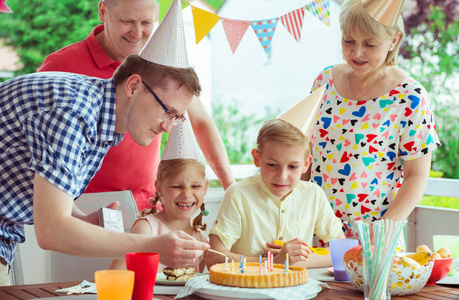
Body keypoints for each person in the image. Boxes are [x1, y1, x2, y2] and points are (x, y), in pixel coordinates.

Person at [0, 0, 210, 285]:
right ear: (134, 86)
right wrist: (151, 245)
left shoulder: (104, 120)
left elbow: (45, 183)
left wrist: (81, 220)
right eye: (166, 109)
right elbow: (51, 231)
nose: (167, 126)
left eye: (177, 117)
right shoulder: (73, 112)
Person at [38, 0, 234, 211]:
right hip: (83, 206)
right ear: (103, 12)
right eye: (128, 21)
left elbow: (202, 123)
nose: (137, 32)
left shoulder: (162, 63)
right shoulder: (61, 66)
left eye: (146, 22)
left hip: (148, 205)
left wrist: (231, 188)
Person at [309, 0, 441, 248]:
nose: (356, 53)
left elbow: (417, 176)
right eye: (348, 41)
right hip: (315, 235)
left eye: (369, 44)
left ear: (393, 40)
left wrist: (381, 233)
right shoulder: (323, 81)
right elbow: (304, 155)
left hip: (375, 239)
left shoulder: (410, 96)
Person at [207, 117, 345, 269]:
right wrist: (275, 262)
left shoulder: (313, 195)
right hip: (247, 289)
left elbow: (343, 250)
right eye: (272, 165)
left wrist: (294, 259)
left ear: (306, 164)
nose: (282, 176)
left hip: (298, 289)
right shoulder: (238, 195)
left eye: (293, 166)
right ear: (256, 158)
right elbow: (214, 256)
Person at [110, 158, 209, 272]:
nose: (186, 194)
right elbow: (115, 275)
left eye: (195, 186)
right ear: (159, 188)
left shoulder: (201, 242)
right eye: (177, 186)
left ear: (205, 188)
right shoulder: (145, 229)